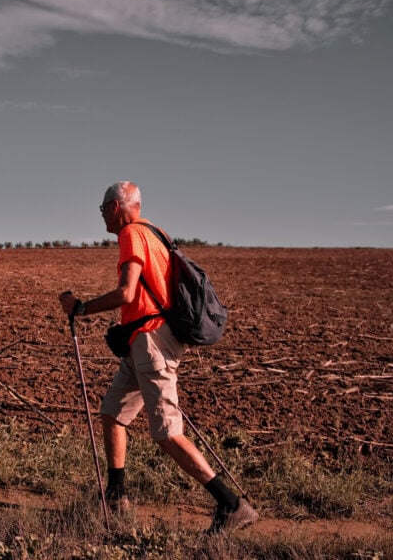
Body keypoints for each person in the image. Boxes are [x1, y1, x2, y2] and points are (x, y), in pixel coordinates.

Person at [58, 181, 258, 535]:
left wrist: (82, 308)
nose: (102, 214)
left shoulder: (132, 234)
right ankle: (118, 496)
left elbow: (127, 291)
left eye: (104, 207)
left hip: (151, 343)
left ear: (118, 206)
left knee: (166, 432)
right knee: (113, 413)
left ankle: (231, 504)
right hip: (143, 340)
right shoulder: (156, 232)